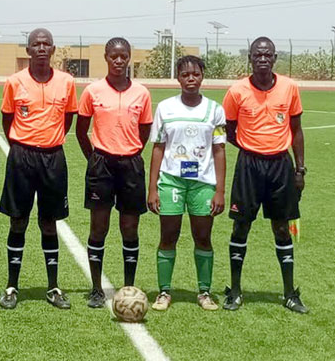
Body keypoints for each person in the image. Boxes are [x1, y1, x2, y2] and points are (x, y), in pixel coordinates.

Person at [222, 37, 308, 313]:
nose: (262, 59)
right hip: (249, 166)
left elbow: (296, 130)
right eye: (257, 55)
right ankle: (235, 291)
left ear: (274, 58)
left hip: (281, 166)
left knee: (282, 228)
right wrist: (251, 147)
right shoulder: (237, 91)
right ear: (250, 57)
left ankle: (290, 294)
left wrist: (300, 169)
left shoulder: (289, 87)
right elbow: (228, 129)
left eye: (267, 55)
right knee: (241, 226)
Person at [0, 28, 78, 309]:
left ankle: (53, 287)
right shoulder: (14, 82)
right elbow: (7, 120)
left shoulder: (67, 82)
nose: (41, 48)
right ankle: (11, 286)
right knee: (18, 220)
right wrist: (23, 145)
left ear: (53, 50)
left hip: (53, 158)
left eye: (46, 44)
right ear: (28, 50)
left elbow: (68, 119)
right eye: (36, 44)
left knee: (49, 221)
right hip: (22, 156)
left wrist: (49, 141)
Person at [76, 37, 153, 308]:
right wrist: (94, 159)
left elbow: (145, 130)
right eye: (114, 56)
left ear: (129, 57)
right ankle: (97, 289)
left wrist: (131, 151)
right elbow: (81, 130)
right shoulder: (92, 91)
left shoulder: (142, 93)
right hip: (101, 165)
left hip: (131, 165)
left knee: (129, 228)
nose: (119, 61)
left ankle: (129, 286)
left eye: (123, 56)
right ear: (106, 58)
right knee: (99, 227)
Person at [147, 55, 226, 311]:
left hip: (202, 183)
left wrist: (220, 190)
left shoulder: (215, 110)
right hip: (172, 181)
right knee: (168, 235)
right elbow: (158, 148)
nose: (191, 78)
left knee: (202, 236)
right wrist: (152, 188)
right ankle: (164, 292)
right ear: (178, 78)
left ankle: (204, 292)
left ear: (202, 76)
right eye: (185, 74)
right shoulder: (165, 108)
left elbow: (219, 150)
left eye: (196, 74)